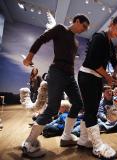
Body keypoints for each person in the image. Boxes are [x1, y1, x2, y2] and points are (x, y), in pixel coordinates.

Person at [22, 14, 90, 158]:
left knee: (78, 103)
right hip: (57, 72)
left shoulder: (76, 42)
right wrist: (29, 57)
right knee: (53, 108)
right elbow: (41, 39)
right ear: (76, 21)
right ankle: (28, 143)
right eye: (84, 26)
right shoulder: (60, 29)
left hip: (70, 76)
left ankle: (66, 136)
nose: (85, 29)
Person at [77, 16, 117, 159]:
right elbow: (93, 62)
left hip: (96, 78)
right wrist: (109, 78)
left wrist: (116, 70)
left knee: (89, 110)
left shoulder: (110, 44)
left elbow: (114, 61)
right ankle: (97, 146)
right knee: (91, 111)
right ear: (111, 25)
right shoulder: (99, 37)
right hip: (87, 76)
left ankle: (83, 140)